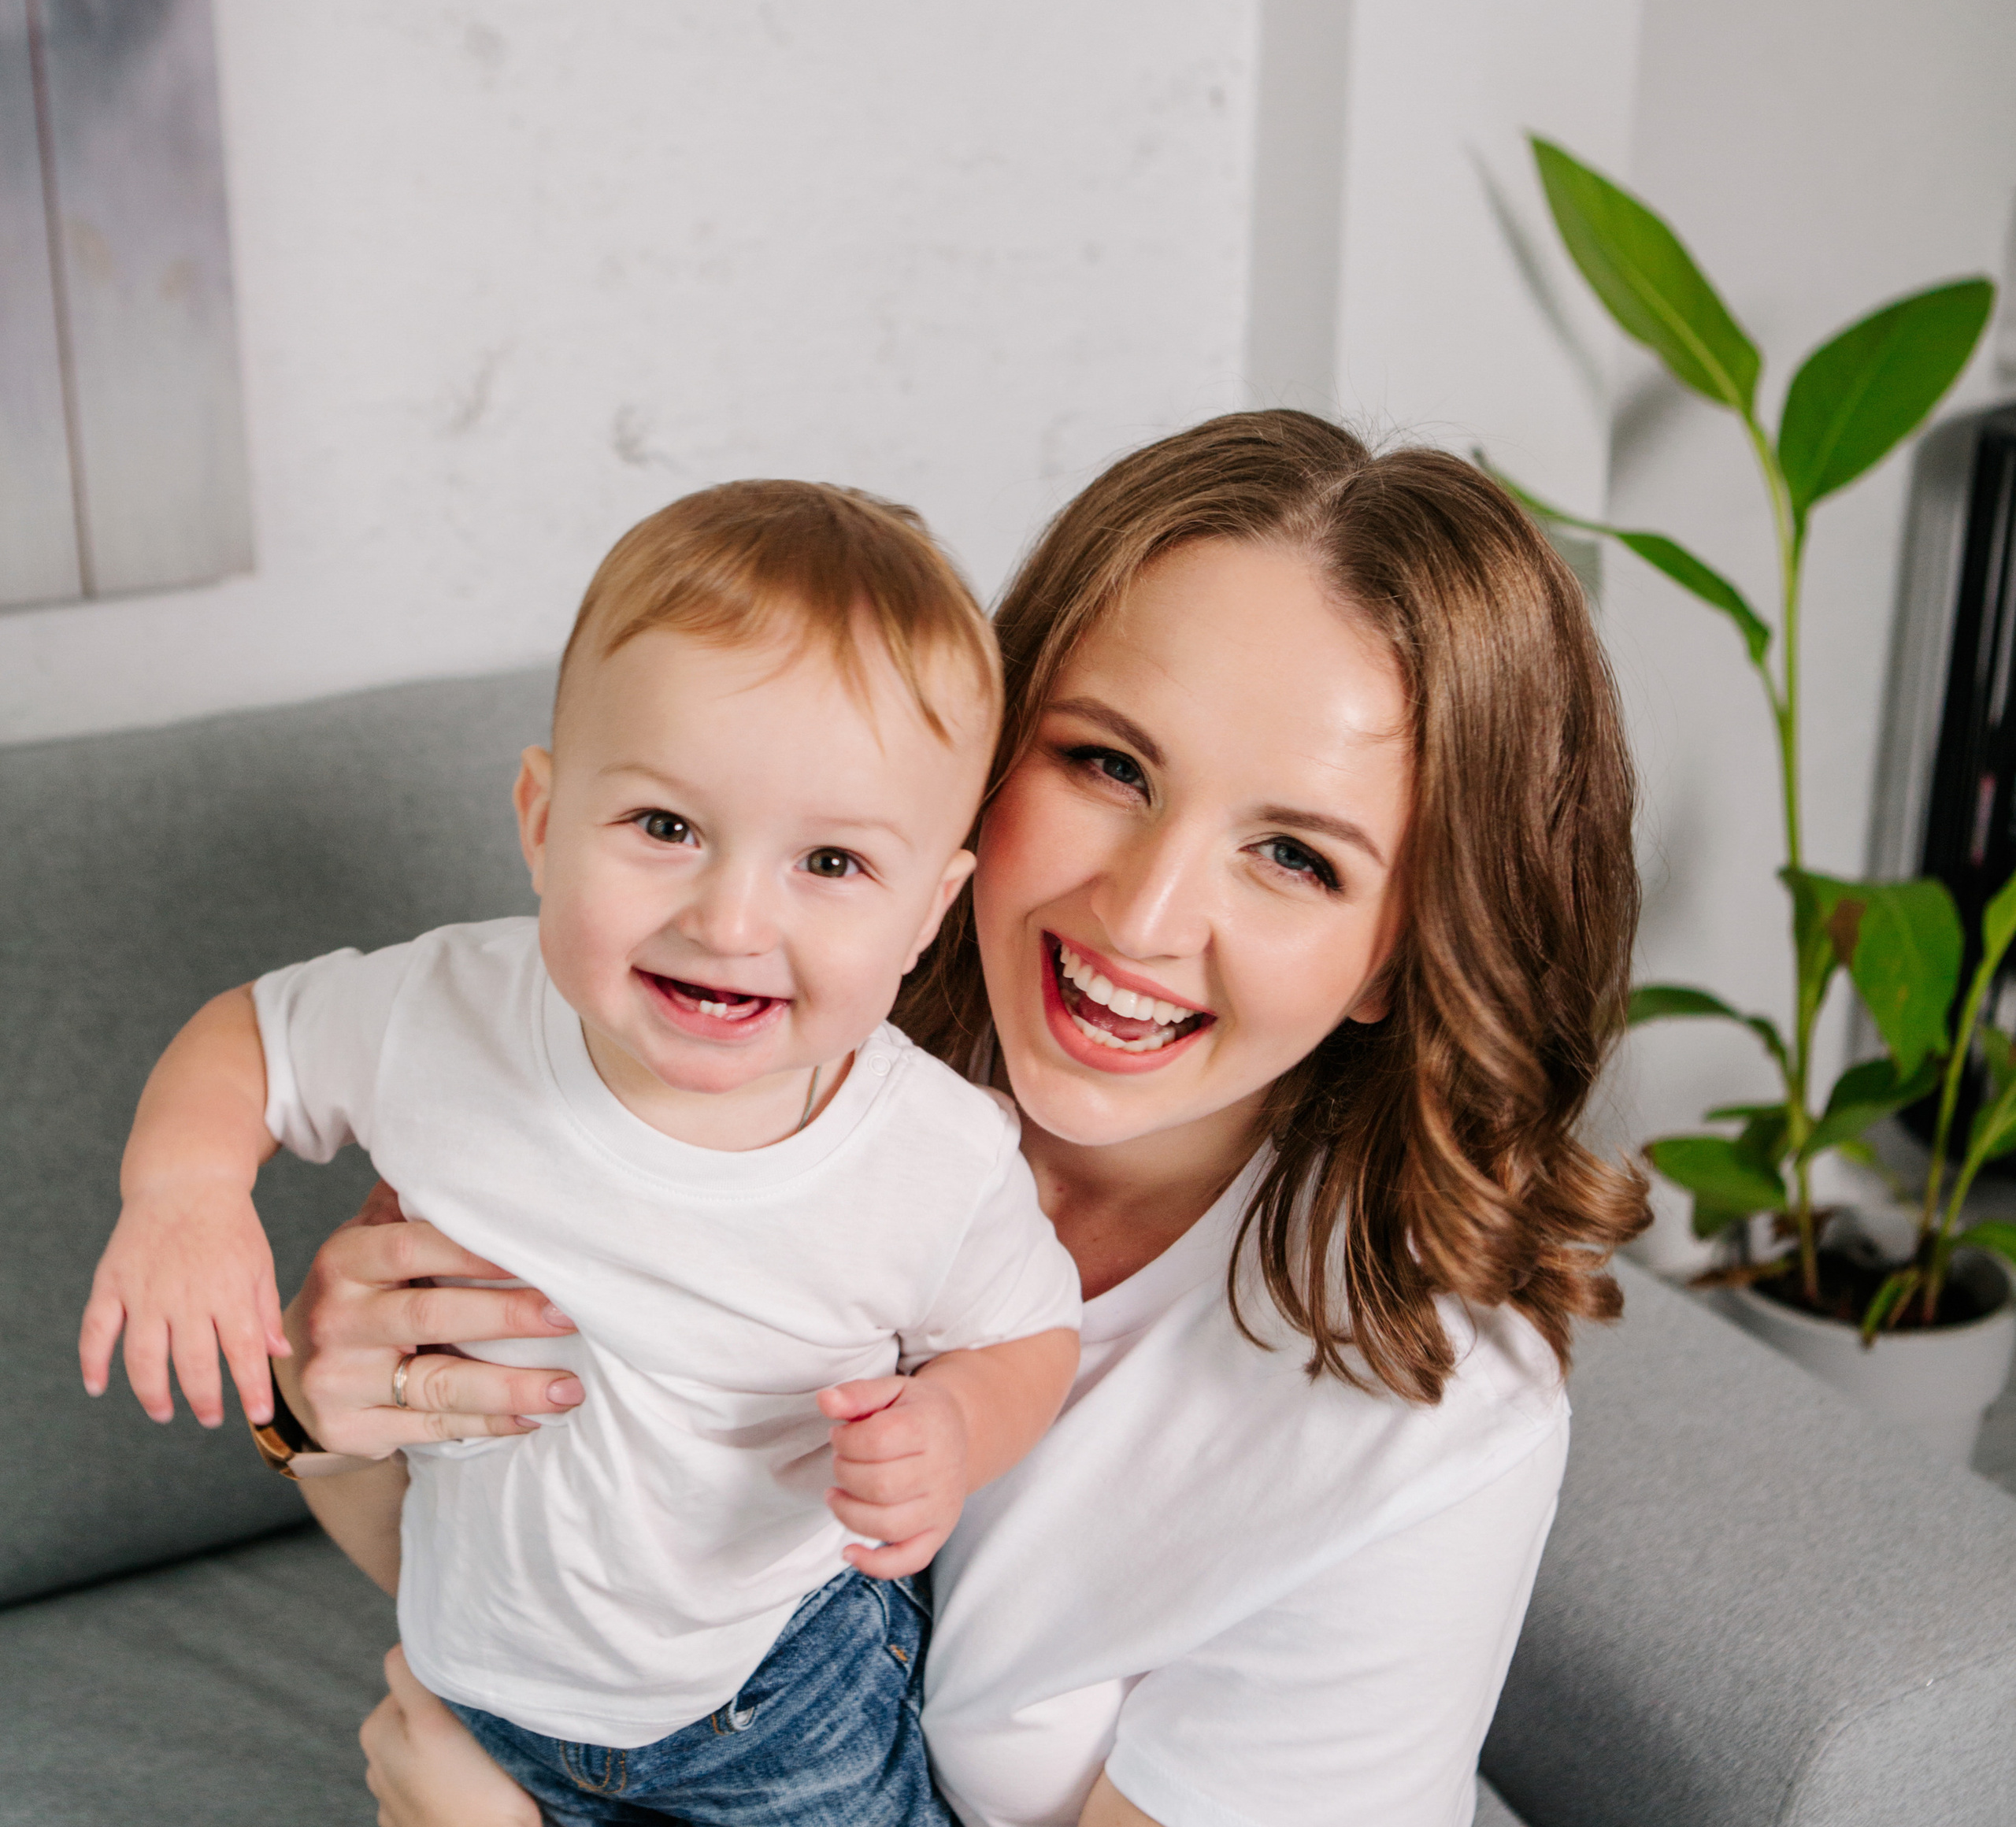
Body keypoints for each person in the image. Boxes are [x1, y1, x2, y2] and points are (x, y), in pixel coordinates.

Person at [270, 411, 1648, 1827]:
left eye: (1293, 856)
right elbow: (558, 1594)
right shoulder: (758, 1041)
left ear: (1401, 954)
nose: (1144, 914)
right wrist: (311, 1409)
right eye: (1109, 765)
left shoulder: (1419, 1420)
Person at [78, 481, 1086, 1824]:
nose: (731, 919)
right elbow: (249, 1038)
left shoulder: (934, 1155)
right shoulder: (444, 1014)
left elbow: (1030, 1333)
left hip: (773, 1699)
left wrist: (956, 1425)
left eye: (832, 863)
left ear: (929, 913)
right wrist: (187, 1188)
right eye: (665, 828)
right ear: (543, 822)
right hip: (477, 1691)